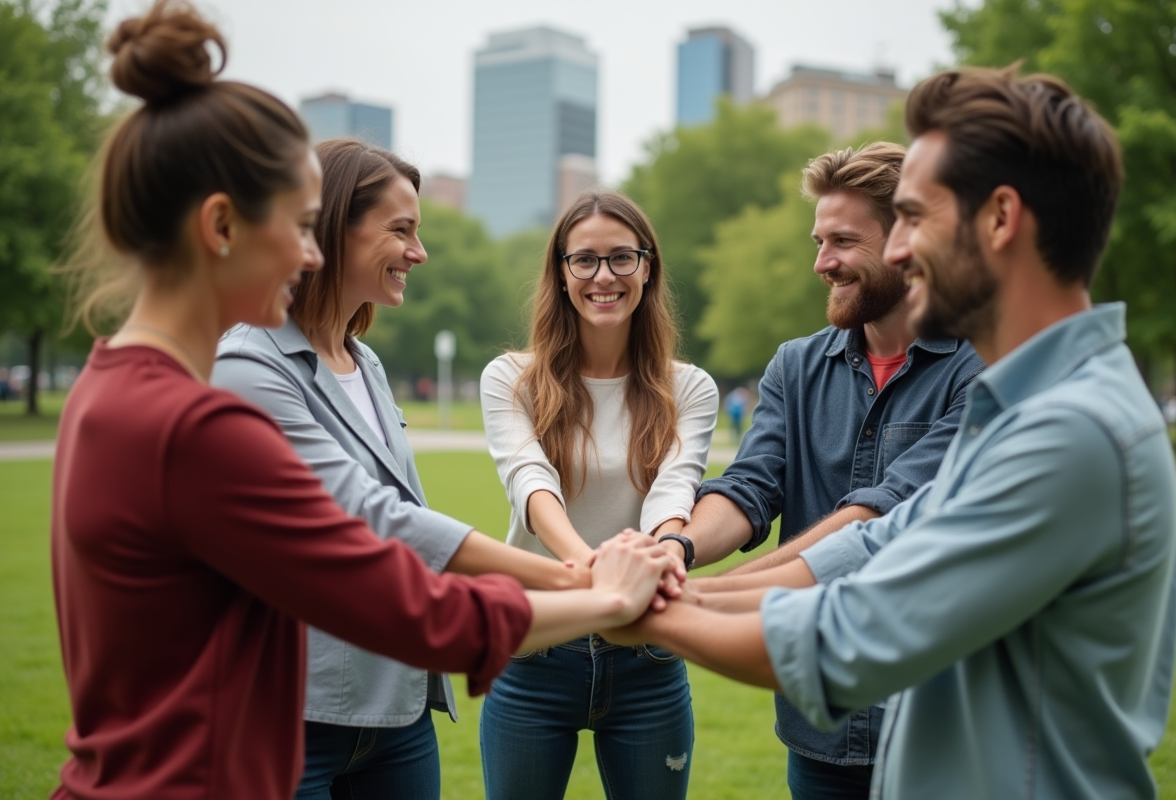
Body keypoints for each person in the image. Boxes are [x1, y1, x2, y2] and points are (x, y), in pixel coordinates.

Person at [50, 5, 679, 800]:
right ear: (220, 227)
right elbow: (408, 604)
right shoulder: (196, 423)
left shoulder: (108, 388)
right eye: (302, 226)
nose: (308, 254)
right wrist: (602, 593)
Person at [612, 66, 1176, 799]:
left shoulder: (1069, 431)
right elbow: (869, 545)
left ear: (1001, 219)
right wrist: (675, 580)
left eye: (914, 217)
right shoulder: (1026, 405)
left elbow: (848, 638)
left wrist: (644, 615)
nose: (903, 252)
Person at [211, 138, 596, 800]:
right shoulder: (248, 368)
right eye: (402, 231)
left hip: (396, 709)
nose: (419, 253)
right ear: (333, 227)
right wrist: (571, 578)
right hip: (287, 712)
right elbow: (370, 516)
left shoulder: (367, 363)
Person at [655, 142, 983, 798]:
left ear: (907, 242)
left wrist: (688, 601)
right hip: (820, 724)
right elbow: (752, 486)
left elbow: (881, 516)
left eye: (841, 241)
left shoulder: (977, 369)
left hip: (934, 724)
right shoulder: (795, 367)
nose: (821, 263)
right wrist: (675, 549)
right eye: (818, 240)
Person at [478, 191, 719, 800]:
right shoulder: (511, 379)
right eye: (584, 260)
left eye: (621, 258)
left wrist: (661, 556)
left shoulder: (689, 388)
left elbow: (675, 491)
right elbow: (531, 483)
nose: (603, 276)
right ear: (561, 273)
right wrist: (596, 577)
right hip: (534, 650)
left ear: (648, 268)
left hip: (648, 658)